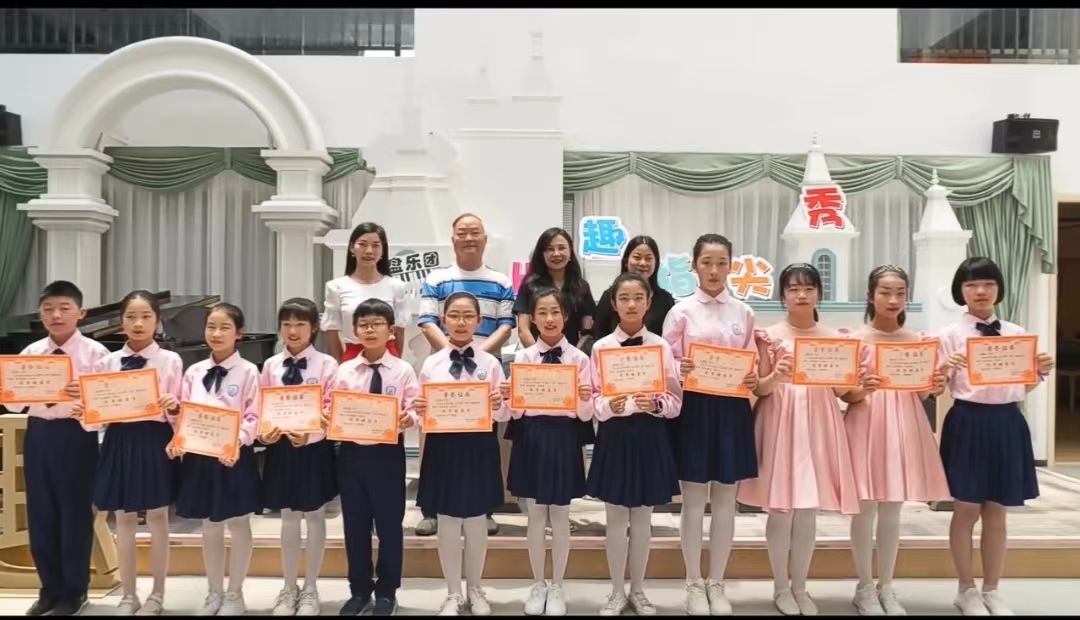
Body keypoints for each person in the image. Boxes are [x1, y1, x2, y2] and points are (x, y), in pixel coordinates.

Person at [737, 263, 864, 616]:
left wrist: (854, 382)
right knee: (781, 507)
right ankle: (781, 586)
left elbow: (841, 390)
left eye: (808, 288)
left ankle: (801, 587)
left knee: (808, 507)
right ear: (783, 295)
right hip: (780, 418)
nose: (801, 295)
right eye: (793, 289)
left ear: (819, 293)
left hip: (819, 420)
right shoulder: (769, 336)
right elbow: (760, 389)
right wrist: (775, 376)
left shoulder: (834, 337)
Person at [936, 257, 1054, 616]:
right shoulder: (948, 335)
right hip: (967, 421)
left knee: (997, 509)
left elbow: (1021, 387)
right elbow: (935, 388)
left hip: (1007, 421)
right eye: (972, 284)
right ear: (960, 291)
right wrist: (943, 368)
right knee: (966, 507)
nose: (981, 291)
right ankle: (965, 589)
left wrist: (1040, 372)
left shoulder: (1017, 333)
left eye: (988, 283)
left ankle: (992, 589)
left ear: (999, 289)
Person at [842, 266, 951, 616]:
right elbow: (845, 394)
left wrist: (935, 386)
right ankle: (864, 587)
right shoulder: (855, 340)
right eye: (885, 292)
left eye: (900, 292)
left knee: (892, 507)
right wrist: (862, 389)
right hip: (865, 422)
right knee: (865, 507)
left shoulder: (918, 341)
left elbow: (919, 393)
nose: (893, 299)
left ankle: (886, 586)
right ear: (870, 296)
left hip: (904, 424)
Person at [661, 235, 758, 616]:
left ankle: (717, 582)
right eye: (706, 262)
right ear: (694, 266)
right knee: (693, 501)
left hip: (732, 409)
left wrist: (751, 376)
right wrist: (678, 366)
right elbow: (664, 361)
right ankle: (692, 582)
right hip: (694, 409)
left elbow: (751, 361)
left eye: (721, 263)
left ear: (731, 265)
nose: (714, 270)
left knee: (725, 502)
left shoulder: (743, 312)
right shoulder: (680, 312)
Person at [78, 291, 183, 616]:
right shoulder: (106, 363)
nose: (138, 323)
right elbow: (94, 416)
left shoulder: (171, 360)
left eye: (146, 316)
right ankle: (128, 595)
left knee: (158, 516)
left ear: (158, 321)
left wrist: (174, 406)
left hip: (155, 438)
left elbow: (181, 414)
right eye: (131, 317)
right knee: (122, 517)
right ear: (121, 322)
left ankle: (158, 595)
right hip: (119, 439)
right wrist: (85, 411)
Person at [587, 272, 682, 617]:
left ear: (648, 302)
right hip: (614, 436)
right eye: (624, 298)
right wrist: (606, 407)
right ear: (613, 304)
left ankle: (639, 591)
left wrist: (655, 404)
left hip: (649, 435)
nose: (631, 304)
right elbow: (592, 399)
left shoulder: (661, 347)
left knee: (642, 519)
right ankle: (616, 592)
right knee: (614, 518)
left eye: (638, 297)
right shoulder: (600, 348)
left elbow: (675, 401)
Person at [416, 213, 514, 537]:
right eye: (462, 232)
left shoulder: (501, 281)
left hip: (484, 369)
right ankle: (432, 509)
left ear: (485, 239)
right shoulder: (437, 278)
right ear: (453, 238)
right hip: (443, 368)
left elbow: (506, 325)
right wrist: (453, 352)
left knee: (483, 444)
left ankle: (484, 509)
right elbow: (427, 321)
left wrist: (476, 352)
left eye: (475, 232)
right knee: (438, 444)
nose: (469, 238)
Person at [15, 281, 109, 617]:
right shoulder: (30, 353)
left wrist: (83, 397)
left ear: (81, 313)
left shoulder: (97, 355)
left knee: (74, 513)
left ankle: (75, 590)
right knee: (40, 513)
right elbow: (13, 405)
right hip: (39, 434)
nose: (56, 315)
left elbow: (107, 405)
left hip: (77, 435)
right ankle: (49, 589)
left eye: (64, 308)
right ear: (40, 314)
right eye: (49, 309)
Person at [415, 291, 509, 616]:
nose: (461, 322)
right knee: (448, 520)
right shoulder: (432, 363)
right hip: (444, 447)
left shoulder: (490, 363)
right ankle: (453, 592)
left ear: (479, 321)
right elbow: (420, 414)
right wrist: (421, 409)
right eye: (454, 315)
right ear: (443, 321)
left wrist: (498, 404)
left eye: (468, 316)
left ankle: (477, 589)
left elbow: (505, 413)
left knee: (477, 520)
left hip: (479, 446)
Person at [501, 287, 594, 616]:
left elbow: (586, 415)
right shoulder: (523, 358)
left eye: (555, 312)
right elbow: (514, 413)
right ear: (532, 319)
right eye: (542, 312)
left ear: (565, 316)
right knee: (536, 515)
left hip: (564, 437)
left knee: (561, 514)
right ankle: (538, 583)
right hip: (532, 436)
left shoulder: (580, 359)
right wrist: (508, 395)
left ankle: (557, 585)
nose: (549, 318)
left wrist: (585, 397)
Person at [170, 303, 261, 616]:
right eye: (211, 327)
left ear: (239, 333)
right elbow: (184, 413)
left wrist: (236, 442)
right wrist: (178, 438)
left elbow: (254, 416)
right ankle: (214, 592)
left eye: (225, 327)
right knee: (209, 525)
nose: (217, 333)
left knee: (239, 523)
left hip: (233, 456)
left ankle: (235, 593)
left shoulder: (249, 371)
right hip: (200, 457)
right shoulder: (194, 371)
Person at [330, 299, 420, 617]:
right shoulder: (344, 371)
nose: (370, 330)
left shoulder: (403, 370)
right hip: (352, 455)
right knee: (354, 526)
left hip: (387, 454)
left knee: (389, 526)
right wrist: (329, 415)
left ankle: (387, 592)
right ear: (354, 331)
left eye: (377, 324)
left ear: (390, 330)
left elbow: (415, 407)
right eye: (364, 324)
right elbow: (331, 406)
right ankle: (359, 590)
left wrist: (410, 418)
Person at [508, 227, 597, 517]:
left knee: (568, 439)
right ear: (541, 253)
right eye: (550, 248)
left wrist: (570, 360)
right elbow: (523, 328)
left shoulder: (581, 287)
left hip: (570, 365)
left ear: (570, 252)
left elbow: (587, 329)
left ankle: (561, 509)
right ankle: (534, 510)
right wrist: (538, 361)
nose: (556, 253)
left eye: (561, 248)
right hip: (536, 366)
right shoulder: (530, 284)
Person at [260, 298, 339, 616]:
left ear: (314, 328)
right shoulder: (270, 365)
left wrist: (311, 433)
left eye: (300, 324)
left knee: (315, 517)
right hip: (281, 449)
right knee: (288, 518)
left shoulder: (327, 365)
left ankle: (310, 588)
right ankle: (288, 587)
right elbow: (262, 407)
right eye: (287, 324)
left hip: (314, 449)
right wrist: (265, 434)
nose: (292, 331)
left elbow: (332, 409)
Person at [323, 222, 410, 361]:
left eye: (375, 245)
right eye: (362, 244)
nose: (369, 251)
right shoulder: (336, 287)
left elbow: (399, 330)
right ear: (352, 247)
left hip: (388, 357)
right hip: (351, 358)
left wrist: (396, 362)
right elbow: (331, 333)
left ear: (383, 250)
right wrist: (340, 365)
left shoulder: (396, 286)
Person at [592, 235, 676, 343]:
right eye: (637, 257)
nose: (643, 263)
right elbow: (599, 333)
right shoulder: (610, 296)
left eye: (648, 258)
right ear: (626, 261)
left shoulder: (665, 299)